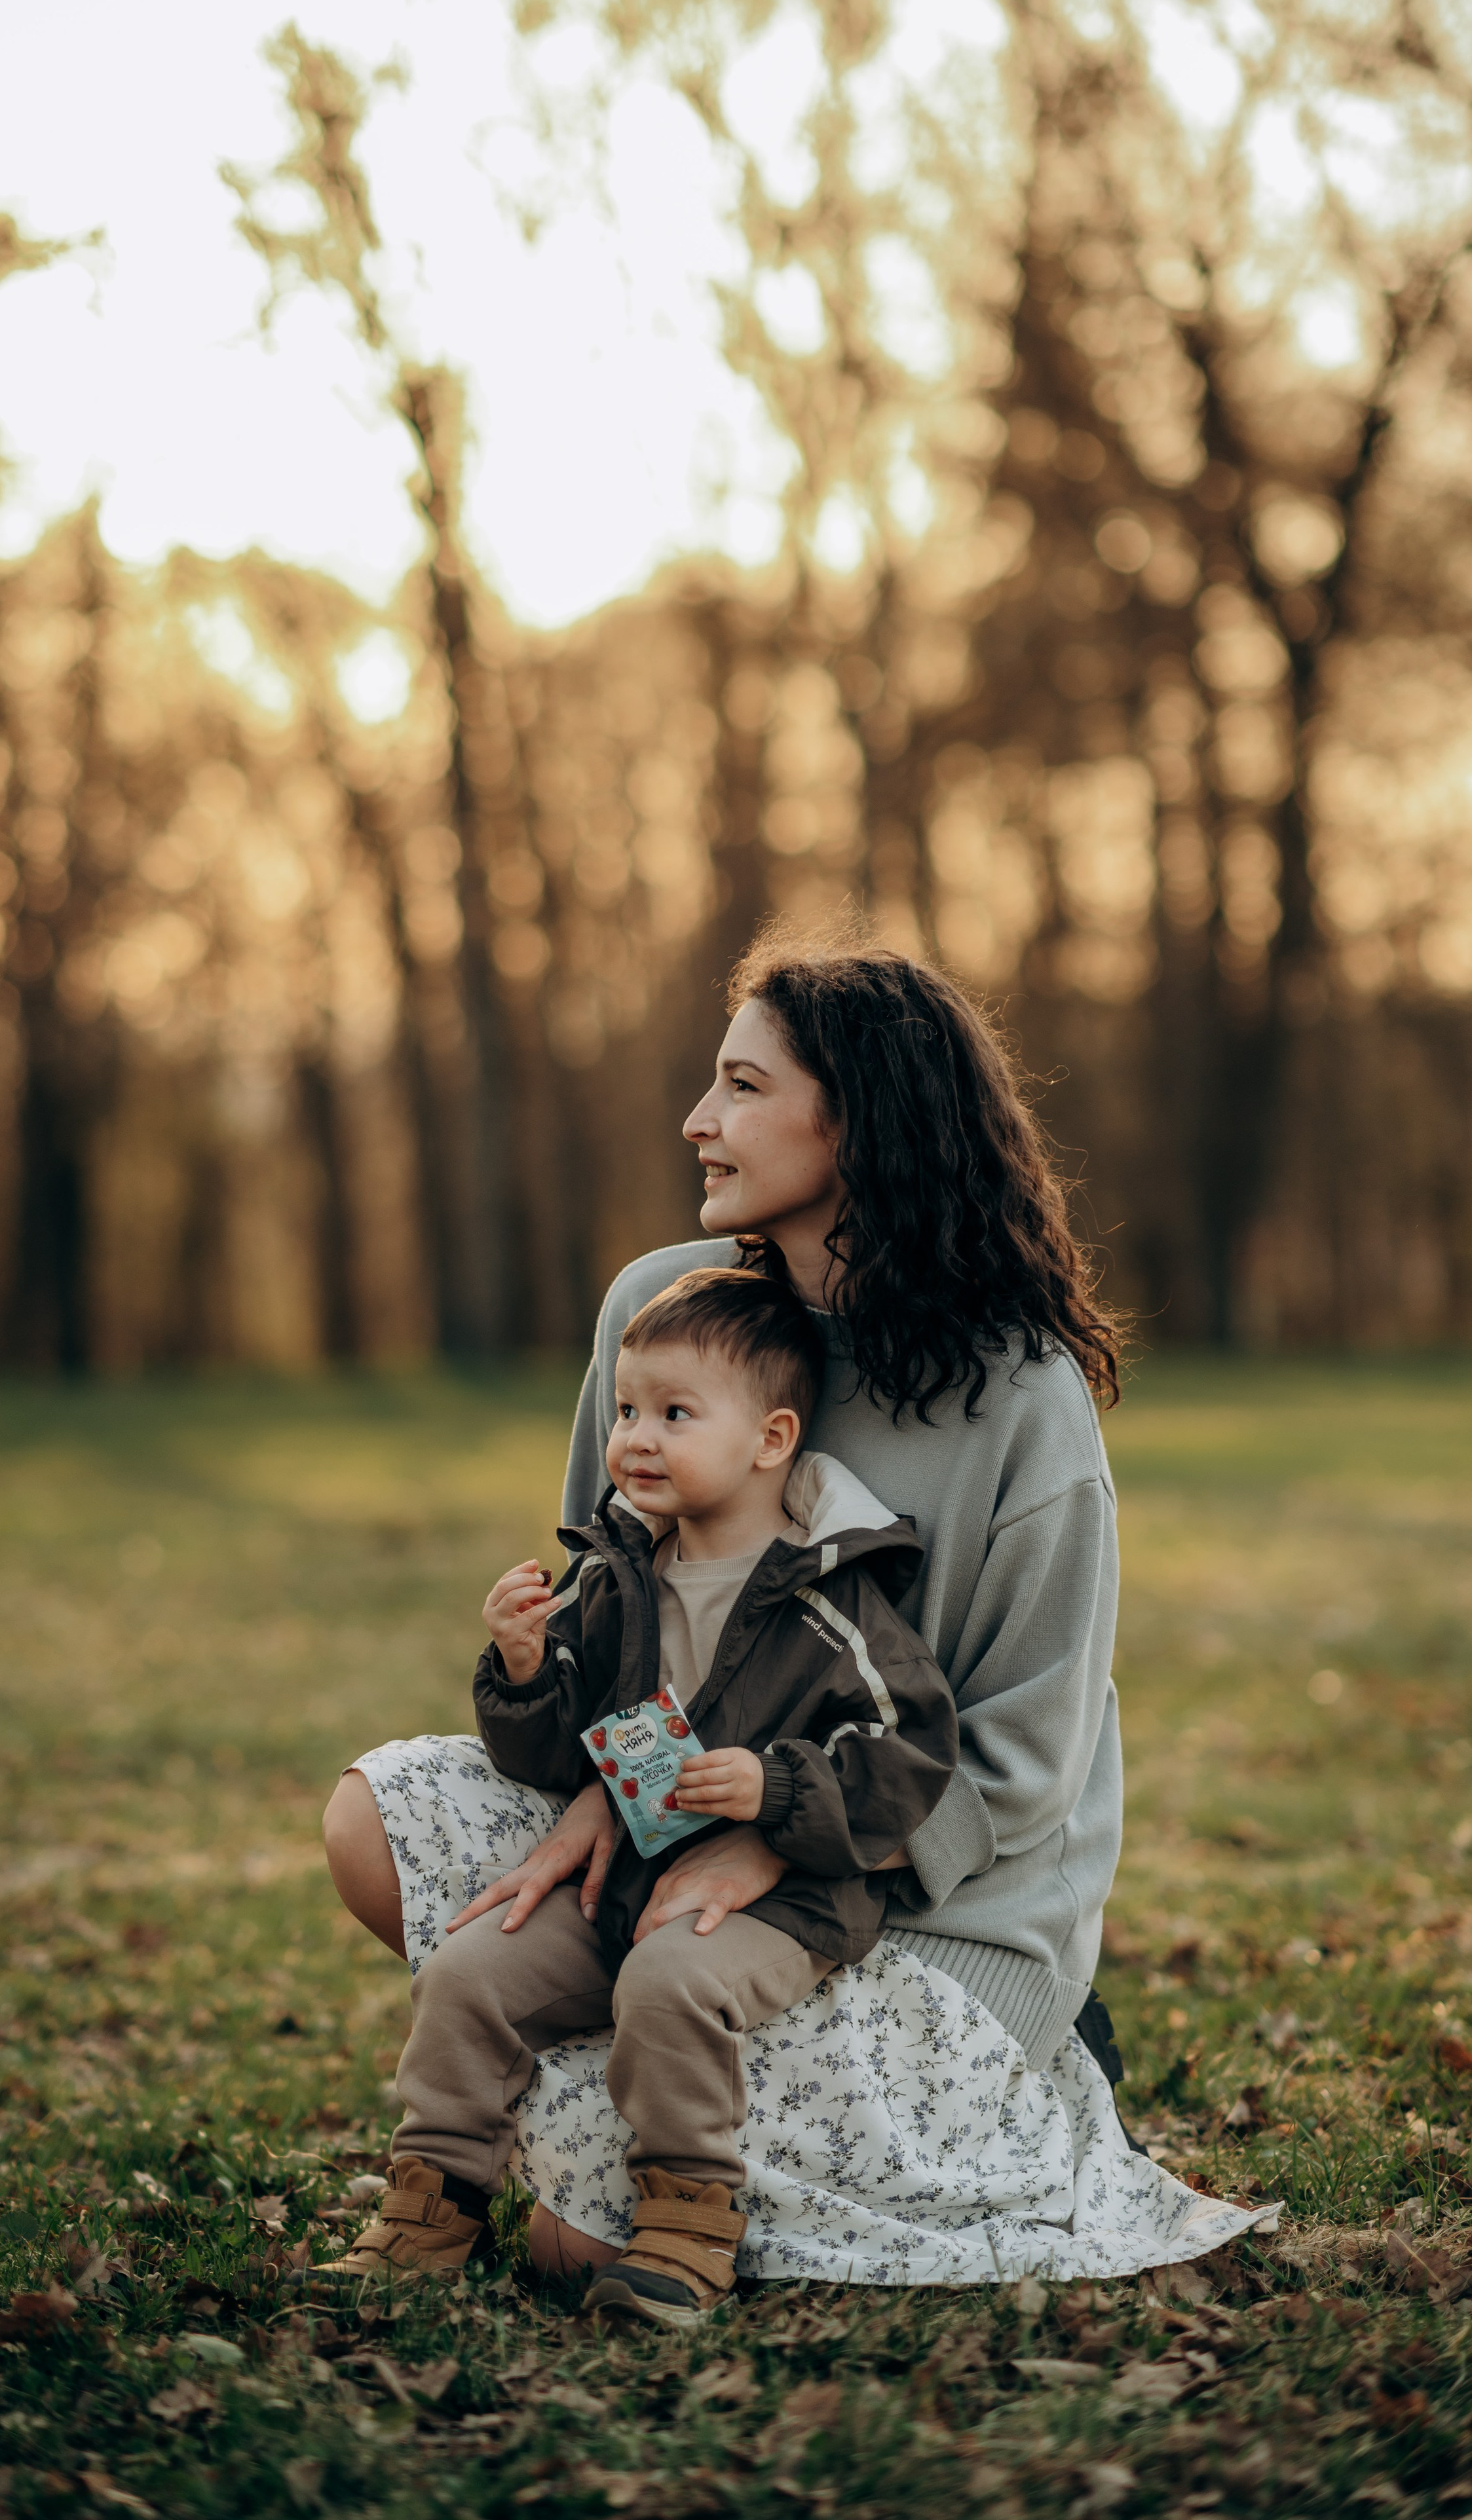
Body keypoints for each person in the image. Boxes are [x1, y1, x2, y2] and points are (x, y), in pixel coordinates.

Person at [323, 933, 1272, 2288]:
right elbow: (619, 1611)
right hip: (668, 1837)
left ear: (859, 1117)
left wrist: (782, 1838)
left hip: (932, 1902)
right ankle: (627, 2083)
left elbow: (1027, 1761)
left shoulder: (1020, 1397)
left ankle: (990, 2088)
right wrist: (609, 1791)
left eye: (742, 1087)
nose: (697, 1122)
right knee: (379, 1819)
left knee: (572, 2238)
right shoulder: (656, 1313)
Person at [319, 1267, 958, 2325]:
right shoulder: (621, 1572)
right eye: (626, 1410)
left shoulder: (829, 1597)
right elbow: (554, 1754)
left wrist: (774, 1788)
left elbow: (911, 1756)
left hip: (786, 1898)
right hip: (626, 1879)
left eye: (674, 1413)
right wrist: (524, 1671)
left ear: (770, 1439)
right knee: (471, 1971)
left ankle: (687, 2225)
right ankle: (432, 2204)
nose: (634, 1438)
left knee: (669, 1985)